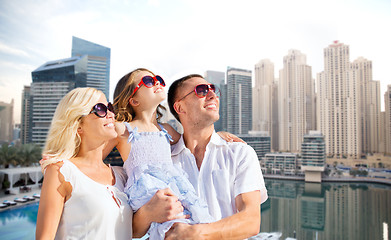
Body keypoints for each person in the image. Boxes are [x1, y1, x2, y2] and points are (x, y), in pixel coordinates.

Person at [134, 74, 269, 239]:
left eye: (213, 89)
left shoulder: (240, 153)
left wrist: (195, 233)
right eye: (201, 91)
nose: (213, 95)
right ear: (179, 108)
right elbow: (134, 228)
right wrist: (147, 213)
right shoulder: (163, 161)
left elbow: (251, 221)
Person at [109, 68, 222, 239]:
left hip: (174, 186)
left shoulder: (166, 129)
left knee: (193, 222)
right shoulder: (123, 129)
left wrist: (220, 136)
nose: (157, 83)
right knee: (171, 228)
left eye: (159, 80)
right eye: (148, 81)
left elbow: (193, 139)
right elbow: (93, 147)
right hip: (147, 190)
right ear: (133, 100)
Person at [36, 88, 132, 240]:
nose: (111, 114)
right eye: (100, 109)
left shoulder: (122, 175)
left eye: (110, 108)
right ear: (78, 125)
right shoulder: (61, 171)